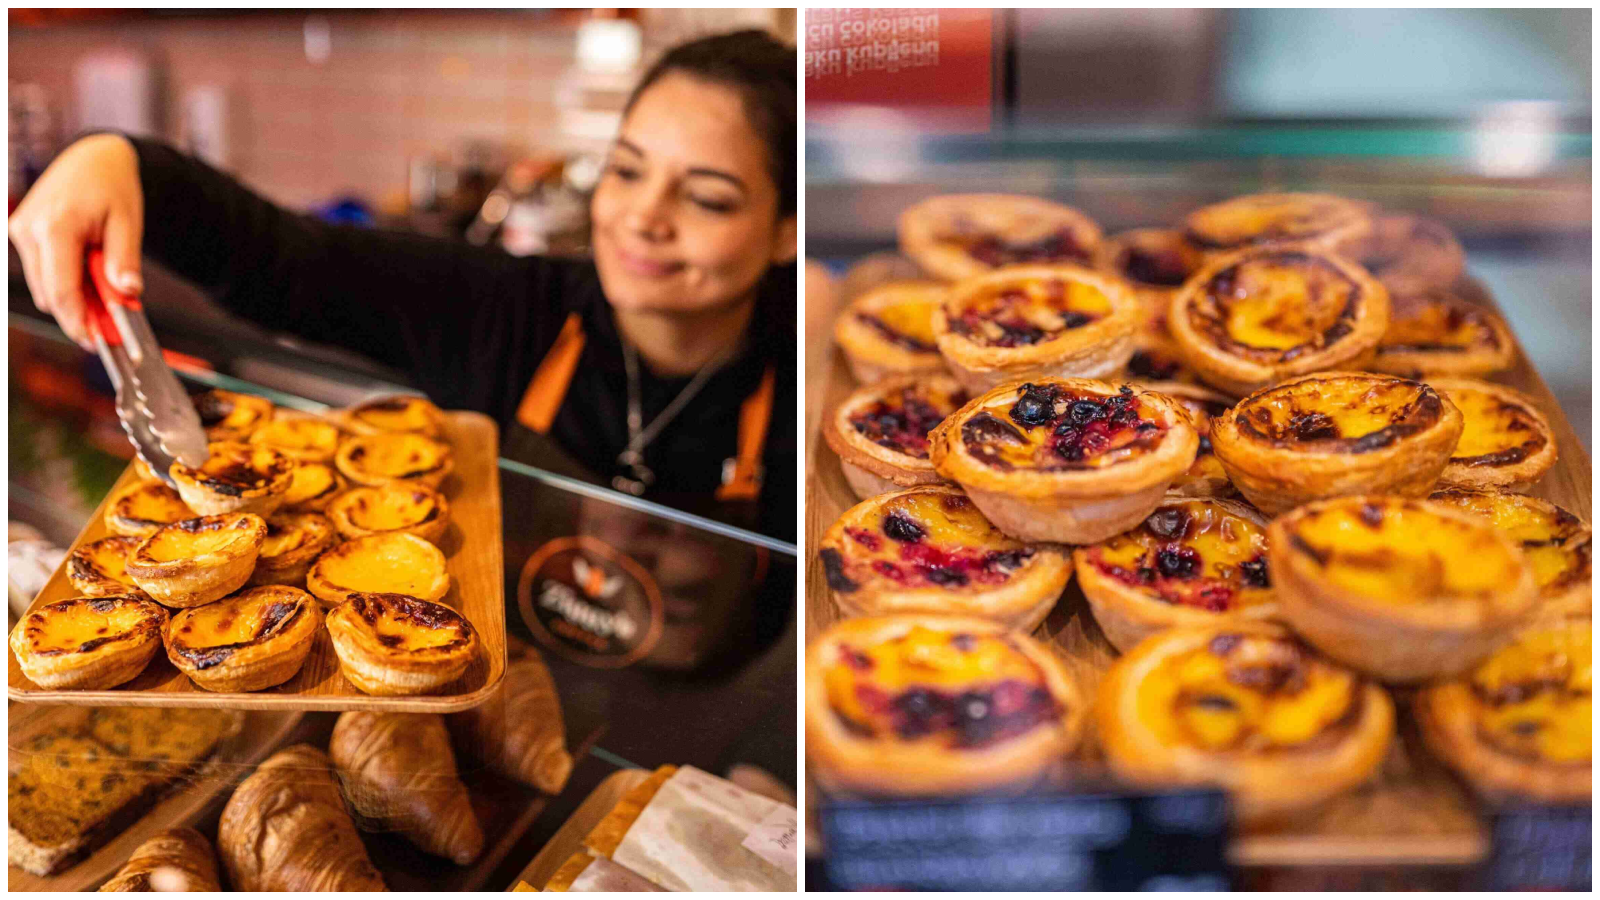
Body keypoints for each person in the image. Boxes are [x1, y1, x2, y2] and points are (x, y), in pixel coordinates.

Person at [9, 29, 797, 544]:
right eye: (625, 170)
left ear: (788, 231)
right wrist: (118, 160)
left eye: (707, 197)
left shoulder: (821, 386)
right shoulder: (511, 312)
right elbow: (287, 263)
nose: (641, 218)